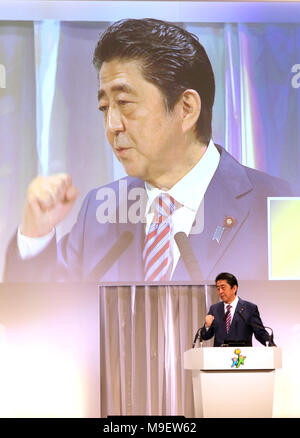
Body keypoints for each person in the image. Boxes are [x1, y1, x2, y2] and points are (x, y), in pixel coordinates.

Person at [4, 18, 294, 282]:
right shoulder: (100, 210)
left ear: (186, 108)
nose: (111, 125)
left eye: (125, 103)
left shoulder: (277, 208)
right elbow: (45, 320)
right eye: (104, 108)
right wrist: (36, 236)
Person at [200, 272, 275, 346]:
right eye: (218, 288)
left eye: (223, 288)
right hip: (220, 355)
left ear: (234, 288)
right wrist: (207, 325)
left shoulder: (249, 308)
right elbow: (205, 336)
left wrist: (272, 345)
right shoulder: (214, 309)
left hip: (241, 355)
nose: (220, 292)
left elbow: (260, 333)